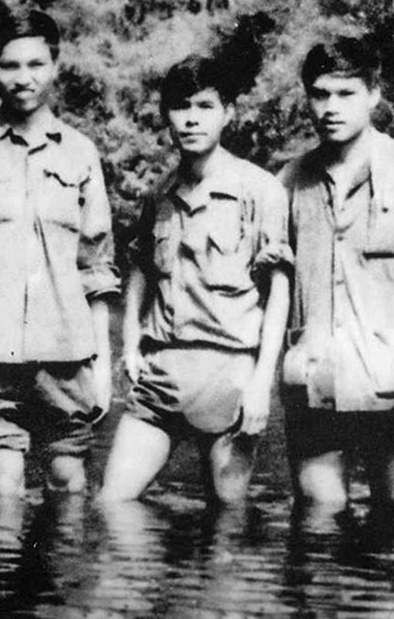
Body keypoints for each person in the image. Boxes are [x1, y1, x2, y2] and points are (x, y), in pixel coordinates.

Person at [0, 9, 119, 499]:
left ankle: (66, 577)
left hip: (66, 353)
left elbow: (97, 267)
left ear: (54, 66)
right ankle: (0, 575)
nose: (23, 78)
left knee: (67, 482)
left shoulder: (81, 153)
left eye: (35, 64)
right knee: (3, 482)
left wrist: (103, 363)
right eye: (9, 66)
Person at [98, 45, 292, 504]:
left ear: (228, 113)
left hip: (230, 375)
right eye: (180, 107)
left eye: (204, 106)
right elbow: (140, 270)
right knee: (111, 504)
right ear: (166, 115)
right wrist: (130, 345)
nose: (191, 119)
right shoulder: (159, 193)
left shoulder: (260, 190)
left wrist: (262, 383)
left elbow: (278, 290)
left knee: (226, 521)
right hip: (162, 374)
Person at [279, 38, 394, 520]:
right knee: (318, 519)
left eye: (345, 94)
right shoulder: (288, 181)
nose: (330, 108)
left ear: (374, 93)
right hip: (313, 380)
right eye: (320, 94)